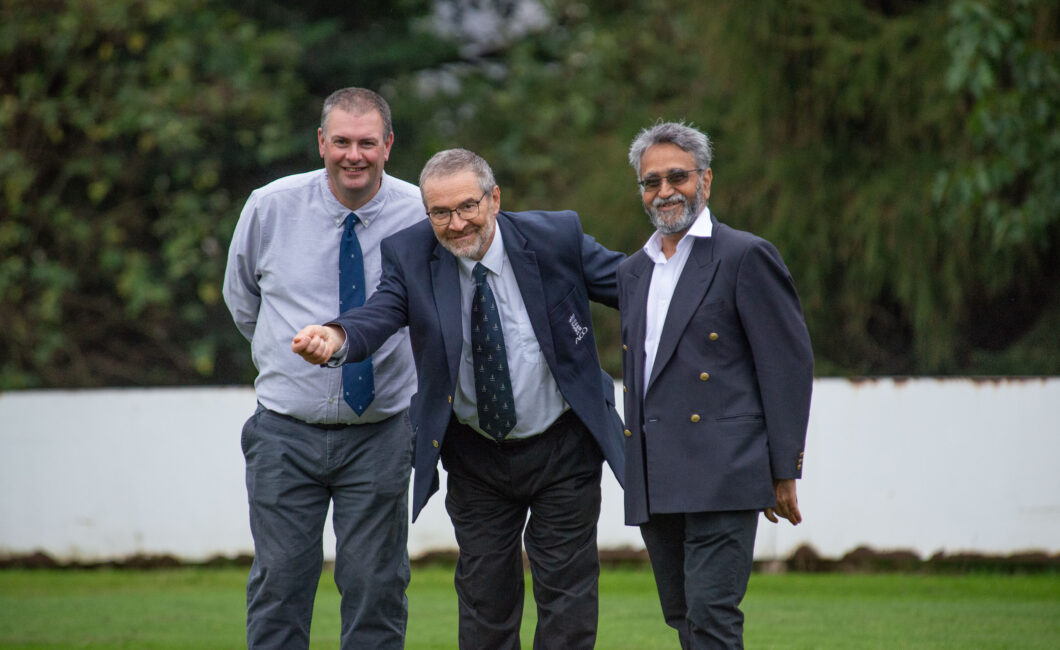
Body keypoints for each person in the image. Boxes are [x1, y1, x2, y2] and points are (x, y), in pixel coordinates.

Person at [291, 148, 626, 650]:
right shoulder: (411, 253)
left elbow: (636, 288)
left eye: (467, 206)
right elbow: (380, 312)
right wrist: (336, 338)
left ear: (494, 199)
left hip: (564, 445)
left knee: (568, 601)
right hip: (475, 454)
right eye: (440, 212)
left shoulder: (555, 237)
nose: (455, 224)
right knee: (485, 601)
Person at [222, 87, 424, 650]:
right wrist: (291, 370)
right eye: (340, 142)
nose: (352, 155)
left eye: (366, 143)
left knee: (376, 588)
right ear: (321, 142)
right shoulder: (269, 206)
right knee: (280, 585)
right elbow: (243, 303)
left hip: (381, 433)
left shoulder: (419, 213)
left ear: (388, 145)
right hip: (285, 433)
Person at [617, 122, 814, 649]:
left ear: (706, 180)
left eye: (676, 176)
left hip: (724, 468)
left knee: (712, 614)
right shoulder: (633, 271)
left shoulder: (745, 255)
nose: (664, 191)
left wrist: (783, 468)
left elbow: (786, 366)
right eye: (651, 181)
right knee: (682, 615)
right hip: (656, 475)